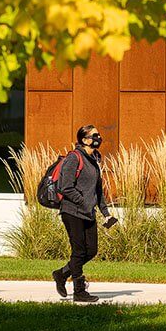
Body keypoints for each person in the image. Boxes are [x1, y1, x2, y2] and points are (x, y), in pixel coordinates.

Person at [51, 124, 117, 303]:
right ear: (85, 139)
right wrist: (84, 202)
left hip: (88, 212)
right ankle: (79, 291)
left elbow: (98, 191)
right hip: (72, 211)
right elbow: (65, 187)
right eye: (95, 135)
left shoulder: (94, 160)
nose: (99, 138)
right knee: (79, 251)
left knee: (91, 251)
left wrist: (106, 213)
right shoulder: (74, 158)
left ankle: (61, 274)